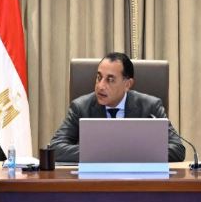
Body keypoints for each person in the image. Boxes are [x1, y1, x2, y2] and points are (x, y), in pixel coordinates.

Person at [50, 52, 185, 163]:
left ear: (127, 84)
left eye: (110, 80)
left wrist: (124, 152)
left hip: (139, 180)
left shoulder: (150, 107)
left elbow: (177, 149)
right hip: (95, 180)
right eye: (99, 77)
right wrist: (102, 152)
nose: (100, 86)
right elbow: (55, 148)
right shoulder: (80, 107)